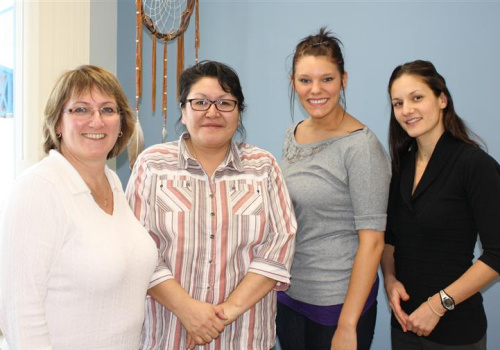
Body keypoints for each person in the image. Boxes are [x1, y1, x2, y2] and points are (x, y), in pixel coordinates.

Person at [126, 60, 296, 350]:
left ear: (239, 113)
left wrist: (221, 314)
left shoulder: (263, 167)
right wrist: (188, 311)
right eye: (200, 102)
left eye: (225, 103)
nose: (212, 112)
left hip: (245, 337)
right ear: (182, 110)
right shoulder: (152, 165)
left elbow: (279, 247)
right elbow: (137, 249)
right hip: (168, 335)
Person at [0, 65, 157, 349]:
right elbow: (19, 311)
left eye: (108, 110)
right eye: (81, 110)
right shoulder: (39, 187)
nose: (96, 121)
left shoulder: (113, 183)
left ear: (121, 124)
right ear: (57, 123)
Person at [276, 27, 391, 350]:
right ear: (293, 83)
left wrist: (348, 324)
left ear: (344, 79)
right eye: (305, 80)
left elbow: (373, 242)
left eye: (326, 79)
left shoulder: (361, 147)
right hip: (290, 295)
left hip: (336, 305)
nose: (316, 90)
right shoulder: (293, 133)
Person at [381, 59, 500, 349]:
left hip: (456, 334)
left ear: (442, 99)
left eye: (417, 97)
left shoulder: (474, 165)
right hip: (404, 326)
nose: (406, 110)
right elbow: (390, 240)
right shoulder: (402, 165)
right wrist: (390, 280)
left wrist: (438, 305)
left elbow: (497, 255)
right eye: (398, 103)